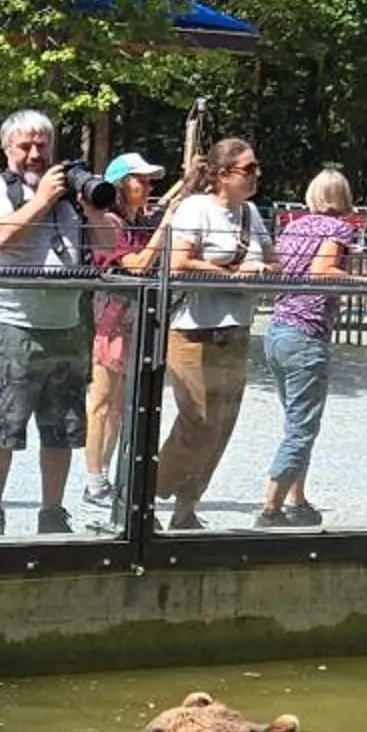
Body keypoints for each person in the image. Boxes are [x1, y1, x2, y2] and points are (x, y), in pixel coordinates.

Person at [0, 109, 90, 536]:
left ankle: (52, 512)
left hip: (67, 326)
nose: (35, 154)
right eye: (25, 145)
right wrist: (41, 201)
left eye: (42, 145)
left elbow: (110, 245)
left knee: (62, 429)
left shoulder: (70, 195)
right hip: (13, 326)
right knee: (2, 425)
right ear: (7, 149)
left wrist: (92, 206)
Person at [155, 137, 270, 532]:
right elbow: (180, 262)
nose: (256, 175)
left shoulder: (250, 215)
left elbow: (272, 260)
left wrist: (264, 272)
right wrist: (230, 275)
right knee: (198, 420)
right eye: (248, 168)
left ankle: (186, 508)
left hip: (235, 329)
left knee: (222, 424)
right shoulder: (196, 208)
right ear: (222, 174)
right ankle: (148, 486)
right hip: (192, 330)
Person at [257, 168, 362, 529]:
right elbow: (323, 271)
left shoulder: (293, 226)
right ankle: (270, 508)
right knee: (301, 428)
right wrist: (365, 281)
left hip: (278, 331)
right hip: (306, 334)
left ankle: (296, 500)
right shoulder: (340, 229)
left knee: (293, 420)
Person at [81, 152, 169, 525]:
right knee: (102, 400)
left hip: (133, 319)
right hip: (113, 318)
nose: (148, 188)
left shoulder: (136, 221)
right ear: (121, 185)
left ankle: (106, 475)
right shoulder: (108, 222)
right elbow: (135, 265)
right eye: (141, 180)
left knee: (119, 404)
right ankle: (94, 478)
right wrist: (168, 227)